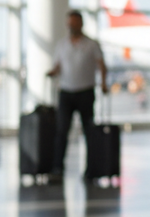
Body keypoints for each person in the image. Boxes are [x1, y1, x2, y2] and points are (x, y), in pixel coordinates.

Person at [46, 10, 107, 181]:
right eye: (70, 23)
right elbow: (58, 66)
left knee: (89, 132)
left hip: (85, 92)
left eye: (74, 23)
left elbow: (102, 65)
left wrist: (103, 83)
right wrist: (52, 72)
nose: (71, 26)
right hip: (66, 92)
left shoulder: (92, 44)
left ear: (81, 24)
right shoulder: (61, 44)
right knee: (61, 131)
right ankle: (58, 168)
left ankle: (91, 169)